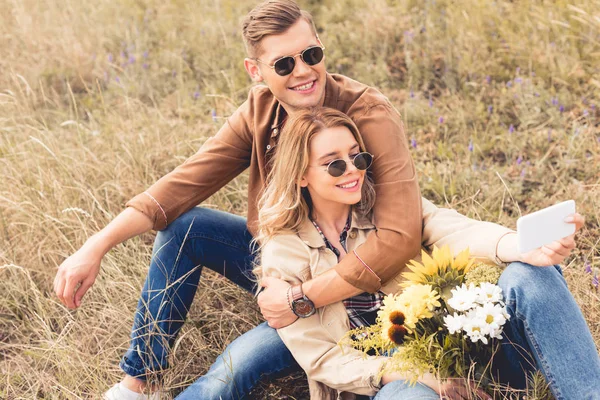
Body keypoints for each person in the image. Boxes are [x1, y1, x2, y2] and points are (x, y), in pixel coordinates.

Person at [49, 1, 596, 399]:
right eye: (283, 63)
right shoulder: (260, 115)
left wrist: (304, 299)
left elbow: (411, 231)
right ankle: (137, 379)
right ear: (257, 71)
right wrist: (94, 246)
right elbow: (179, 188)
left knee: (250, 362)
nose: (303, 70)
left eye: (311, 54)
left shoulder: (368, 113)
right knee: (191, 240)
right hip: (293, 258)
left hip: (366, 281)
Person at [253, 107, 600, 400]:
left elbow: (455, 229)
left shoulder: (387, 205)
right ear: (300, 175)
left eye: (357, 156)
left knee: (528, 273)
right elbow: (323, 357)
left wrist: (521, 246)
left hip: (458, 342)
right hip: (388, 375)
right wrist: (419, 374)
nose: (354, 169)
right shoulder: (283, 250)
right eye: (334, 164)